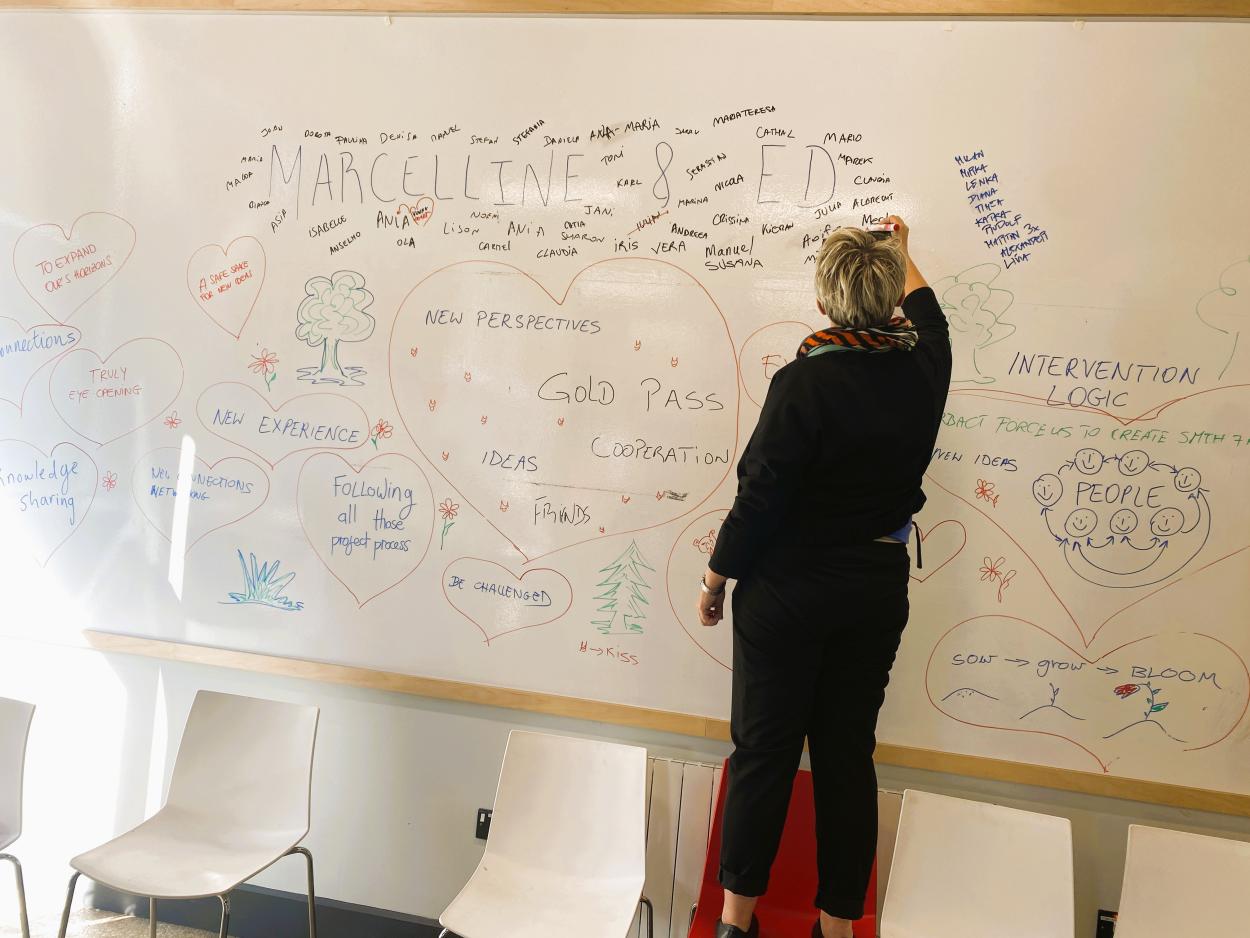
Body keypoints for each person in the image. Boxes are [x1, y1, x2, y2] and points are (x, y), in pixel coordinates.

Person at [697, 215, 951, 938]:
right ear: (891, 298)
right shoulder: (924, 368)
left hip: (786, 590)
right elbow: (931, 315)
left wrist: (716, 579)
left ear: (822, 301)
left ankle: (735, 924)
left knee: (764, 755)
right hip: (873, 587)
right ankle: (837, 929)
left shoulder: (802, 381)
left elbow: (761, 495)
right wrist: (904, 253)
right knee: (846, 758)